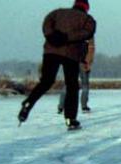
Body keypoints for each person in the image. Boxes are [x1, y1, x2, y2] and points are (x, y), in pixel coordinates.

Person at [18, 0, 96, 131]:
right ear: (86, 8)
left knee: (46, 81)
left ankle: (28, 103)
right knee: (72, 86)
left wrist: (52, 36)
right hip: (71, 54)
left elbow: (46, 23)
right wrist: (67, 37)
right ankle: (70, 119)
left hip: (51, 51)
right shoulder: (87, 19)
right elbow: (88, 33)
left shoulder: (57, 13)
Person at [59, 37, 95, 114]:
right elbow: (91, 49)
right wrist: (88, 63)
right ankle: (84, 106)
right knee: (85, 85)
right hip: (83, 63)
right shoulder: (88, 33)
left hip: (71, 61)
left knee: (68, 84)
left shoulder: (71, 32)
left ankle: (61, 106)